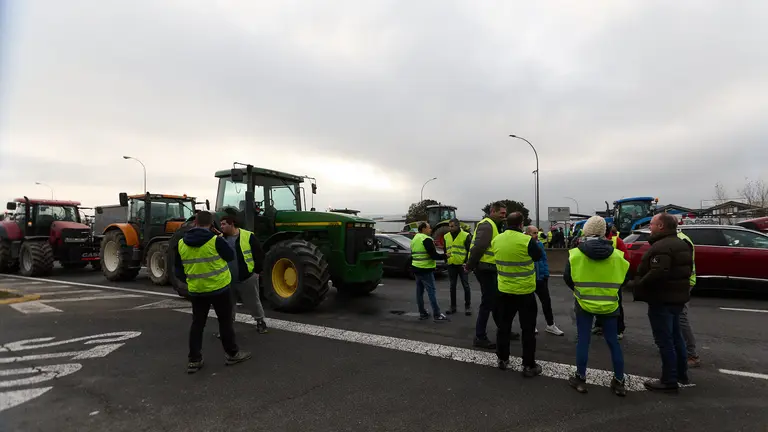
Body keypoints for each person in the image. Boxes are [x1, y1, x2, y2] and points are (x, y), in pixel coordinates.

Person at [174, 211, 251, 373]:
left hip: (196, 290)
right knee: (225, 322)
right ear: (211, 223)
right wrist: (220, 237)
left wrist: (192, 280)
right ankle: (232, 354)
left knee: (197, 324)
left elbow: (178, 270)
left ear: (195, 222)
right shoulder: (216, 240)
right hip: (219, 289)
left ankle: (194, 360)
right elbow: (230, 256)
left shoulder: (181, 243)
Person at [563, 216, 628, 396]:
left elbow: (568, 278)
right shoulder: (617, 255)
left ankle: (580, 378)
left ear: (586, 231)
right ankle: (619, 381)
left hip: (584, 302)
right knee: (613, 342)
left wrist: (581, 291)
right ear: (604, 232)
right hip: (610, 304)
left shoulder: (575, 254)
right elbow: (625, 278)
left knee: (583, 340)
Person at [628, 213, 693, 392]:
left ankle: (669, 380)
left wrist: (638, 284)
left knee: (665, 341)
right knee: (676, 337)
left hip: (662, 299)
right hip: (676, 298)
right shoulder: (682, 243)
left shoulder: (662, 246)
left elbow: (658, 272)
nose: (650, 227)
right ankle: (681, 374)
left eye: (652, 224)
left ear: (662, 226)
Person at [493, 212, 543, 376]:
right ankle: (528, 365)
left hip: (504, 291)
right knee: (527, 329)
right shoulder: (526, 240)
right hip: (524, 291)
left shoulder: (497, 239)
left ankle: (502, 359)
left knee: (503, 326)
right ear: (521, 224)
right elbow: (538, 256)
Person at [466, 201, 509, 349]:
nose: (504, 216)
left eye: (505, 213)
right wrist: (469, 265)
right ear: (493, 212)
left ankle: (504, 329)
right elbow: (479, 247)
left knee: (496, 301)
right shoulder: (487, 225)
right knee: (488, 302)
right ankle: (480, 336)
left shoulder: (495, 225)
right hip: (485, 268)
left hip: (491, 268)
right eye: (501, 213)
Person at [219, 216, 268, 334]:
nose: (221, 227)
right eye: (221, 224)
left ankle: (260, 322)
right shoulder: (220, 239)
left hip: (247, 278)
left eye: (224, 224)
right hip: (227, 279)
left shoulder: (248, 236)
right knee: (228, 306)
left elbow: (259, 254)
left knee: (253, 302)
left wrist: (256, 272)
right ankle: (227, 329)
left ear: (232, 224)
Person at [525, 226, 564, 336]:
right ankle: (532, 326)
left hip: (541, 278)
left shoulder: (540, 244)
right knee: (531, 305)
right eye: (533, 233)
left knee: (546, 302)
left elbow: (544, 260)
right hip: (530, 278)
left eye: (537, 232)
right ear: (527, 234)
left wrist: (545, 274)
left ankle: (551, 325)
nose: (536, 235)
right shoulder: (524, 245)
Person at [593, 224, 628, 339]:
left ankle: (619, 329)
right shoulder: (595, 240)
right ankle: (599, 325)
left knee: (616, 304)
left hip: (612, 278)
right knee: (599, 302)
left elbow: (626, 260)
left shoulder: (616, 240)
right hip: (602, 277)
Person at [411, 222, 449, 322]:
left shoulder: (415, 239)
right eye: (429, 228)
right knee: (431, 292)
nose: (431, 229)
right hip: (425, 269)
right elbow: (434, 255)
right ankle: (437, 314)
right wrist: (445, 255)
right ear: (423, 229)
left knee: (419, 292)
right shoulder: (426, 239)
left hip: (416, 268)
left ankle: (422, 313)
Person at [677, 229, 701, 368]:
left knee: (681, 317)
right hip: (681, 283)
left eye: (652, 225)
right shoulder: (679, 238)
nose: (650, 228)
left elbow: (682, 266)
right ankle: (680, 348)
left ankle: (691, 354)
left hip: (683, 283)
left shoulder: (682, 240)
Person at [444, 218, 472, 316]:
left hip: (462, 265)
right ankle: (453, 306)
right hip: (451, 264)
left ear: (457, 225)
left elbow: (470, 250)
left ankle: (467, 306)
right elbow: (445, 250)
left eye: (452, 226)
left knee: (466, 286)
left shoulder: (465, 235)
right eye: (449, 226)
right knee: (452, 286)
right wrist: (446, 261)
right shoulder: (446, 236)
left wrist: (467, 263)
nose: (450, 228)